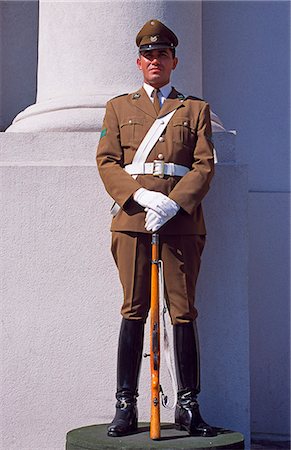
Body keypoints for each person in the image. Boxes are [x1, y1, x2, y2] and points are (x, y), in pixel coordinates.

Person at [96, 19, 216, 438]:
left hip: (181, 223)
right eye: (148, 55)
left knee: (183, 312)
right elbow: (107, 160)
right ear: (139, 62)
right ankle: (125, 405)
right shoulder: (118, 108)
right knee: (133, 309)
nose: (155, 61)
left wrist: (174, 202)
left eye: (162, 55)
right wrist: (139, 196)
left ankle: (187, 406)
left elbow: (204, 165)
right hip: (132, 221)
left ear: (173, 61)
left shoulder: (194, 109)